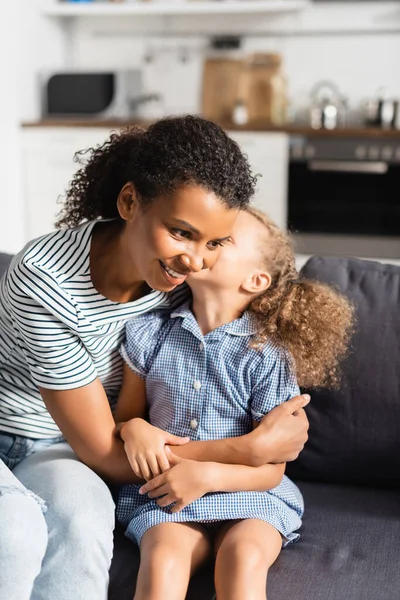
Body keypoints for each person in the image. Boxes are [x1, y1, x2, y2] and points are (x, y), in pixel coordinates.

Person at [0, 116, 309, 600]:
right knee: (13, 536)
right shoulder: (45, 282)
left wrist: (271, 440)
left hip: (68, 448)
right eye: (181, 232)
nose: (195, 261)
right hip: (19, 432)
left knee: (83, 526)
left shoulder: (180, 289)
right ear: (129, 203)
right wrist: (244, 450)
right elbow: (106, 451)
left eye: (214, 243)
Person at [114, 207, 354, 600]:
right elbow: (125, 418)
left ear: (255, 280)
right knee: (162, 561)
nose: (201, 248)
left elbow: (272, 470)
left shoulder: (266, 356)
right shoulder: (149, 334)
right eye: (200, 237)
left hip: (249, 498)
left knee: (242, 559)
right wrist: (134, 429)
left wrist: (210, 477)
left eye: (219, 242)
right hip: (166, 496)